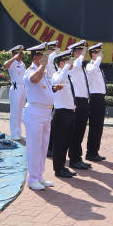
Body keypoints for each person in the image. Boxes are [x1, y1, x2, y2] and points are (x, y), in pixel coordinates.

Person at [23, 43, 56, 190]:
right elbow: (34, 80)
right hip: (35, 113)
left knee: (43, 147)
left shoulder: (42, 72)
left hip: (45, 113)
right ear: (36, 57)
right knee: (34, 147)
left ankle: (39, 175)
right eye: (43, 56)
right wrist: (43, 66)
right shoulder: (30, 71)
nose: (46, 59)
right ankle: (32, 178)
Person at [50, 48, 79, 179]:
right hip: (60, 113)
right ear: (61, 63)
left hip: (69, 113)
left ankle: (62, 166)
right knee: (59, 143)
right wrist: (66, 66)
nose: (71, 63)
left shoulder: (68, 76)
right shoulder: (57, 75)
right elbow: (58, 82)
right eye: (67, 60)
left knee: (66, 142)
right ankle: (58, 169)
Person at [66, 40, 92, 171]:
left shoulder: (80, 66)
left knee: (81, 130)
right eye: (81, 51)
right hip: (78, 101)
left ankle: (78, 157)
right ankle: (74, 159)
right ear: (76, 53)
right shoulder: (75, 64)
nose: (84, 54)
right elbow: (79, 58)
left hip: (83, 101)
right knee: (76, 131)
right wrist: (84, 49)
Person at [84, 43, 107, 162]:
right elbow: (92, 71)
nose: (100, 55)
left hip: (100, 98)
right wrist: (98, 59)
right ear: (93, 54)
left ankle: (95, 151)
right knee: (94, 127)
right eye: (98, 52)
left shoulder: (98, 67)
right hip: (94, 98)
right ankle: (90, 152)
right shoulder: (90, 66)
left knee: (99, 127)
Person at [2, 45, 26, 141]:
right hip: (16, 88)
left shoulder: (22, 63)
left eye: (21, 53)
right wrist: (14, 58)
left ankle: (19, 132)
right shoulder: (12, 63)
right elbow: (5, 65)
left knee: (20, 112)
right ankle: (13, 134)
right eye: (18, 53)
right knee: (15, 112)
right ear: (13, 54)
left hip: (23, 88)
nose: (20, 55)